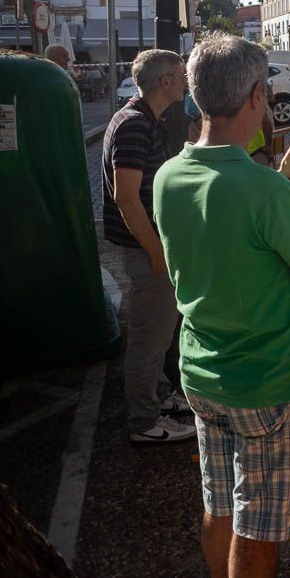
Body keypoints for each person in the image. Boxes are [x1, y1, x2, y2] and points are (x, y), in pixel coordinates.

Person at [153, 34, 290, 578]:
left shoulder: (168, 176)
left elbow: (232, 230)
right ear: (259, 97)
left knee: (218, 507)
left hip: (200, 374)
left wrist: (280, 180)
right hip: (262, 384)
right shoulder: (263, 191)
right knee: (257, 532)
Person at [102, 48, 194, 444]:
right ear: (166, 82)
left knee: (158, 331)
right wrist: (157, 251)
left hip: (148, 247)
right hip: (145, 250)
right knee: (148, 337)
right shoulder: (135, 125)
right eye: (181, 74)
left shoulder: (142, 119)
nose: (187, 81)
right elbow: (127, 198)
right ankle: (144, 421)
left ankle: (157, 396)